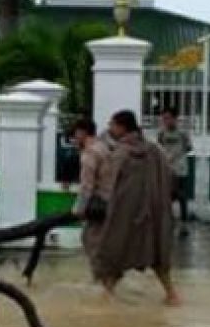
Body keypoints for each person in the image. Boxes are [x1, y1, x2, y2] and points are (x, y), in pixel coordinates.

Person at [94, 110, 181, 305]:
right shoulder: (155, 150)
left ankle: (106, 298)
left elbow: (109, 184)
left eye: (112, 124)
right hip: (154, 214)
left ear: (122, 127)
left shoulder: (120, 153)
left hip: (124, 215)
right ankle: (172, 295)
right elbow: (169, 176)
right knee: (157, 256)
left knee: (114, 253)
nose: (110, 128)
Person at [70, 118, 112, 282]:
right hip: (110, 201)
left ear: (82, 133)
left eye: (75, 134)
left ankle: (103, 282)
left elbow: (87, 186)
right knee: (103, 241)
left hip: (98, 204)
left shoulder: (89, 154)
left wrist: (78, 209)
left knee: (91, 241)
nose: (74, 139)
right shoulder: (103, 147)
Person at [157, 107, 193, 237]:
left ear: (175, 118)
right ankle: (168, 220)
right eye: (164, 118)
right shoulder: (162, 133)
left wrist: (177, 155)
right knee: (166, 195)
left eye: (168, 118)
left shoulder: (183, 133)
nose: (166, 121)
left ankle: (184, 223)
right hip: (166, 168)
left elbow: (188, 147)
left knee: (181, 195)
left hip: (180, 168)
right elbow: (160, 146)